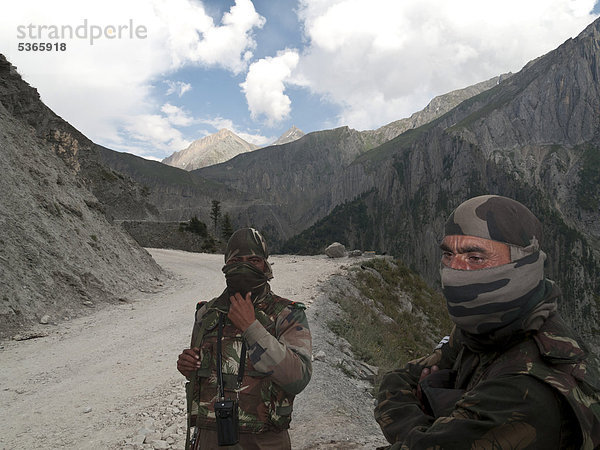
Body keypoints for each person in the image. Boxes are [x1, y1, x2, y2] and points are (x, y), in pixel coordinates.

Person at [374, 195, 600, 449]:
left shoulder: (527, 388)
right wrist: (436, 426)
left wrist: (432, 423)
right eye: (448, 254)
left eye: (475, 258)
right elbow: (396, 382)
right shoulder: (483, 329)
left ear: (522, 265)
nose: (454, 270)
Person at [177, 227, 312, 449]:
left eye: (254, 259)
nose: (244, 265)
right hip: (212, 437)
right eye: (236, 259)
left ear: (265, 266)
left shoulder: (287, 314)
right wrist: (188, 365)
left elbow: (298, 377)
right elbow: (199, 372)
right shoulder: (207, 313)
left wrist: (251, 327)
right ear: (226, 264)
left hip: (265, 440)